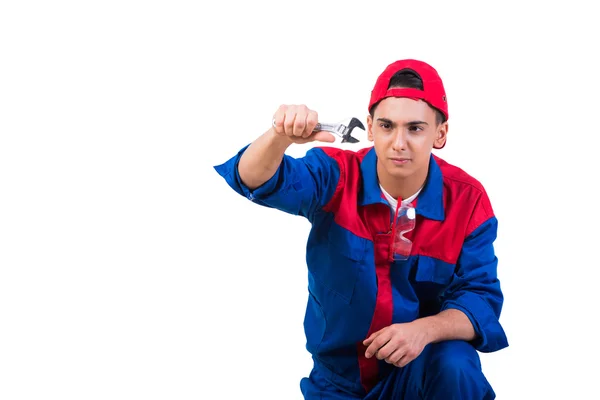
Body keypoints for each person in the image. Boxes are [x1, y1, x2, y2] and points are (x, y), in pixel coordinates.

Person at [213, 59, 508, 399]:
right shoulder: (334, 176)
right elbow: (254, 179)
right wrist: (280, 137)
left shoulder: (466, 201)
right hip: (337, 384)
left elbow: (480, 298)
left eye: (415, 128)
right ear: (369, 128)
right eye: (386, 126)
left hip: (417, 374)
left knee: (456, 361)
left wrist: (423, 331)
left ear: (440, 134)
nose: (399, 142)